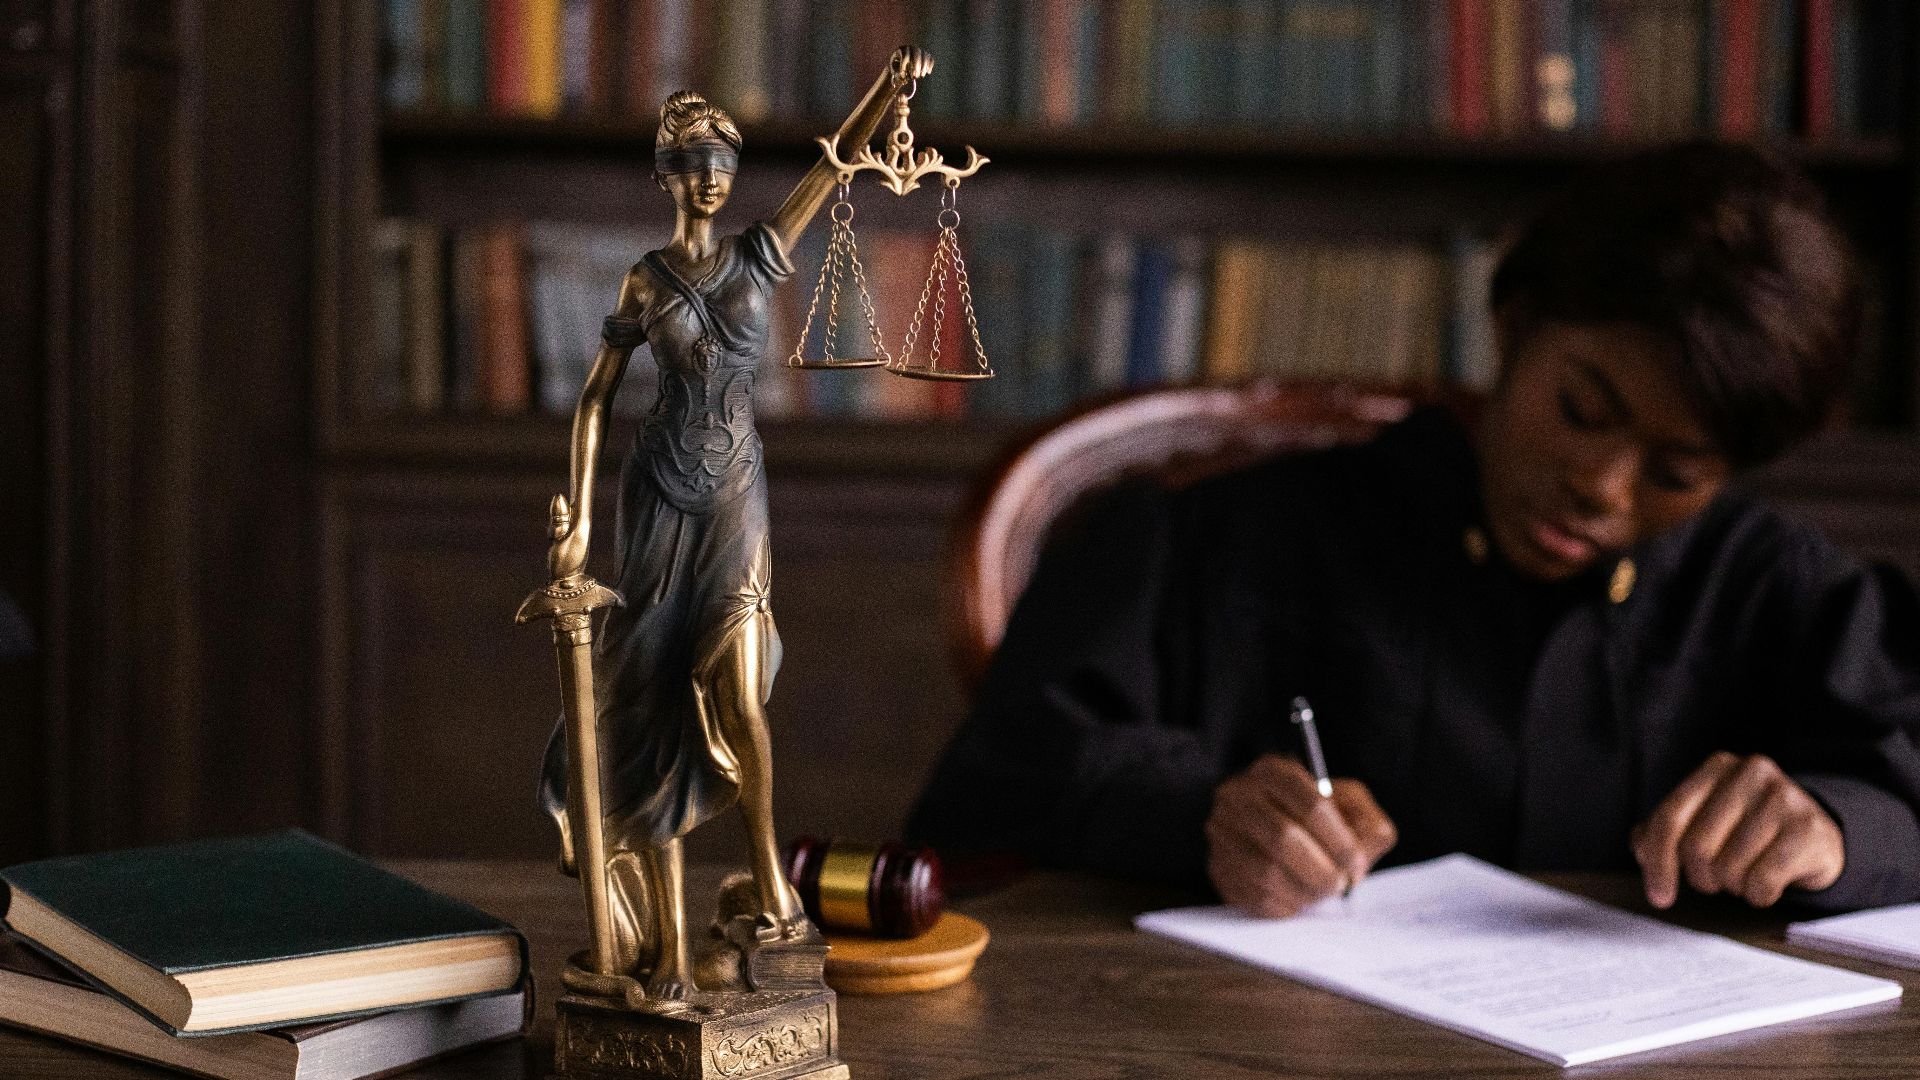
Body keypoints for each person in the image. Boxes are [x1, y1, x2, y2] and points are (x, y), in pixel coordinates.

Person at [907, 142, 1920, 918]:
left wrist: (1834, 828)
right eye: (1582, 410)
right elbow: (989, 792)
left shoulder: (1782, 593)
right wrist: (1204, 814)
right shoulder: (1224, 539)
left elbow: (1898, 784)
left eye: (1676, 472)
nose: (1601, 489)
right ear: (1516, 328)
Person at [538, 49, 932, 1000]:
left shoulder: (763, 251)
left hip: (736, 498)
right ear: (666, 176)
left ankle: (767, 880)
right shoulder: (644, 280)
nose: (710, 177)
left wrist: (891, 89)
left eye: (723, 161)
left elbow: (837, 163)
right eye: (692, 163)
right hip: (656, 503)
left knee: (742, 693)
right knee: (656, 707)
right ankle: (670, 944)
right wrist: (579, 525)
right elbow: (596, 399)